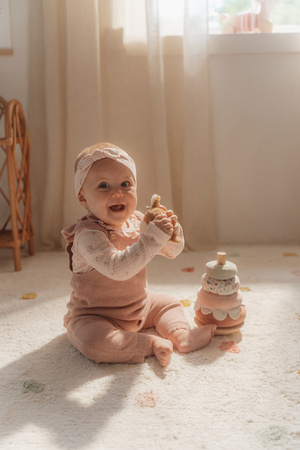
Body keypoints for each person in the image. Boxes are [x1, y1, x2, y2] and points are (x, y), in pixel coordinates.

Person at [62, 142, 216, 367]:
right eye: (104, 185)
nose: (117, 192)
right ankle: (148, 343)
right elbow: (118, 269)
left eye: (126, 184)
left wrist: (172, 233)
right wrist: (153, 237)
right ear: (83, 198)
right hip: (95, 316)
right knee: (93, 343)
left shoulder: (137, 220)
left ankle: (181, 335)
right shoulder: (87, 236)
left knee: (168, 303)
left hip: (140, 306)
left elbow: (171, 252)